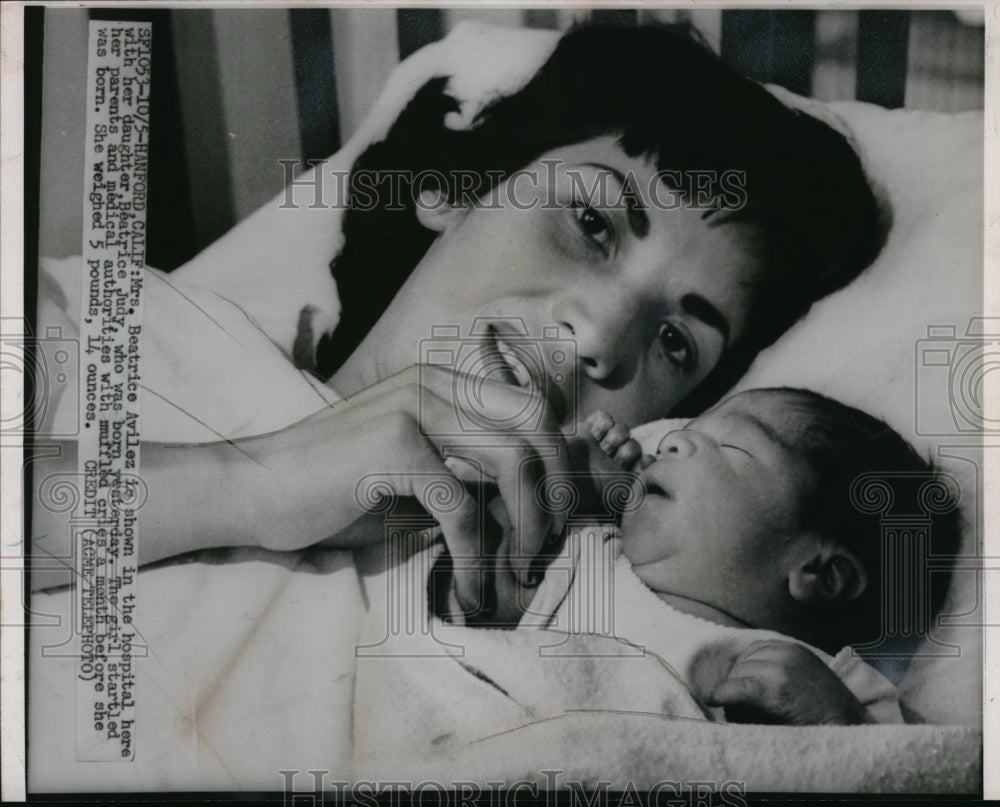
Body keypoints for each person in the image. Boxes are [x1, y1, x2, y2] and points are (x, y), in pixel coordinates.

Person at [31, 23, 883, 611]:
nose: (593, 336)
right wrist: (251, 481)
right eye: (590, 224)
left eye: (673, 341)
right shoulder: (98, 322)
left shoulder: (599, 599)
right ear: (455, 188)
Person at [458, 388, 960, 725]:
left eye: (732, 447)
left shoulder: (829, 683)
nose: (672, 438)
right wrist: (573, 479)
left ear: (820, 573)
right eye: (689, 429)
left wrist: (838, 726)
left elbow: (910, 768)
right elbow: (472, 594)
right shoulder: (591, 552)